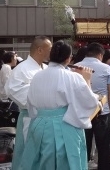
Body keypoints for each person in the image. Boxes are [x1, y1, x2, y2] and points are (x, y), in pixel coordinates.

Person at [20, 40, 99, 170]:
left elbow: (30, 104)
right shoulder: (72, 76)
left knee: (39, 161)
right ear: (69, 59)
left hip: (39, 125)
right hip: (64, 125)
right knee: (66, 163)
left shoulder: (37, 76)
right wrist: (87, 79)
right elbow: (89, 102)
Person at [5, 36, 52, 169]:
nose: (52, 52)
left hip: (47, 118)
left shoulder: (46, 68)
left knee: (43, 155)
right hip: (30, 117)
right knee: (29, 153)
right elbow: (11, 90)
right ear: (40, 50)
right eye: (50, 49)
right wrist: (39, 98)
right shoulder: (22, 69)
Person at [76, 42, 110, 170]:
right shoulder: (106, 68)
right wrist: (109, 108)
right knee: (103, 147)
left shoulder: (75, 67)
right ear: (100, 54)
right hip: (101, 112)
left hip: (81, 113)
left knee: (82, 146)